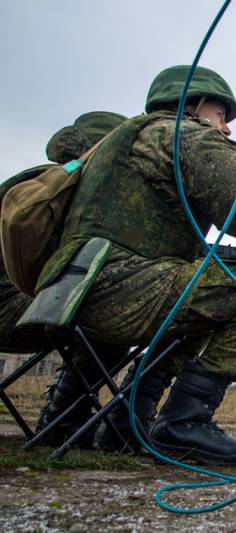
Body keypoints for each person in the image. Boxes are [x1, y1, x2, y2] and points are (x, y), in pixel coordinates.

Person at [34, 65, 236, 465]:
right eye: (220, 116)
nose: (225, 130)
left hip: (68, 294)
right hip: (114, 291)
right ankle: (183, 422)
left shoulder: (123, 143)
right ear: (193, 105)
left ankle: (121, 422)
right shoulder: (177, 132)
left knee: (200, 303)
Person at [0, 111, 128, 447]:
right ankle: (65, 417)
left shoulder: (35, 182)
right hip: (11, 308)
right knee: (113, 305)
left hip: (20, 305)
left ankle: (67, 415)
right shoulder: (62, 192)